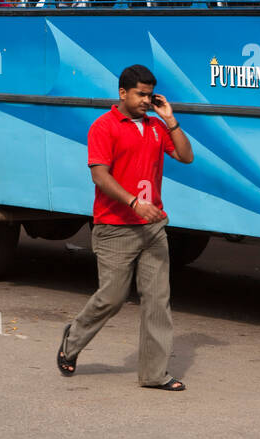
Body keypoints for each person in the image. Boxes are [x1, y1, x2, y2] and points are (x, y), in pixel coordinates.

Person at [57, 64, 194, 390]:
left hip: (152, 227)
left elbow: (187, 157)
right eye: (140, 94)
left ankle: (154, 374)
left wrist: (170, 119)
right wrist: (134, 202)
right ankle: (73, 339)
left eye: (151, 95)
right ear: (122, 93)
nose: (146, 100)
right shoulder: (104, 127)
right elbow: (100, 175)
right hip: (115, 226)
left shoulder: (156, 128)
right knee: (113, 297)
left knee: (158, 300)